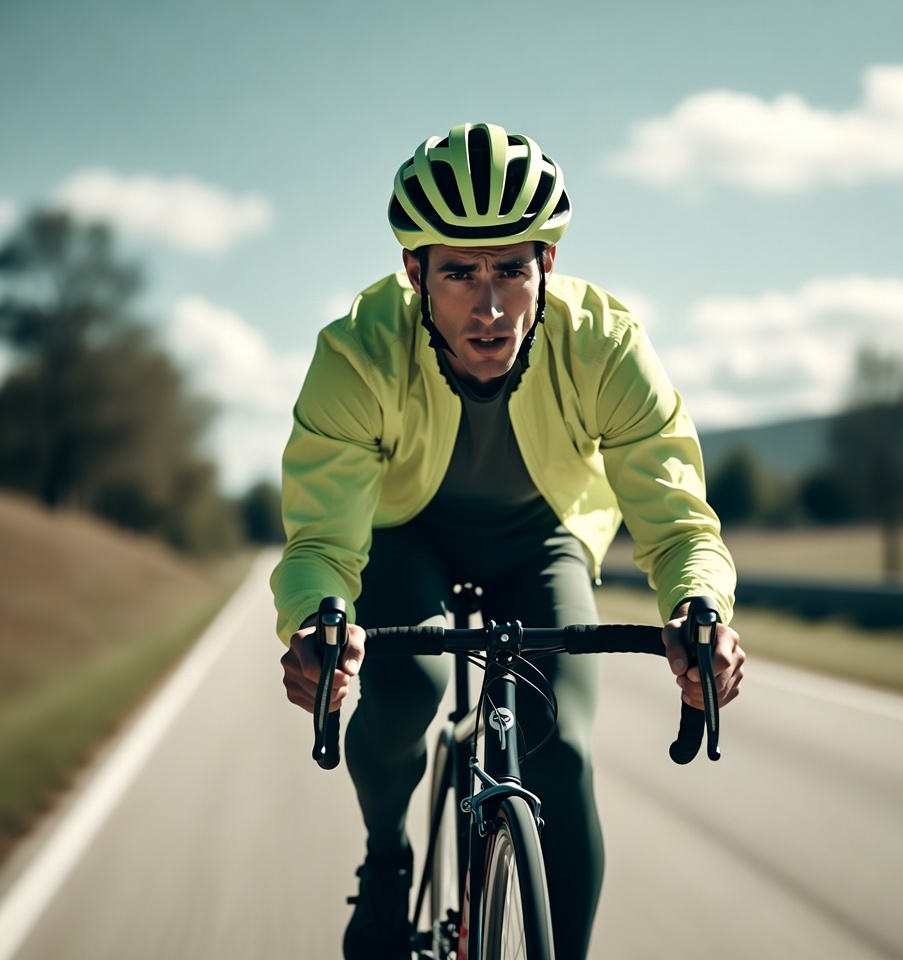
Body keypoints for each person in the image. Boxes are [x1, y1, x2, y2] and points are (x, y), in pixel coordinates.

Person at [272, 122, 745, 960]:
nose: (489, 308)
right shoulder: (356, 353)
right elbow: (323, 544)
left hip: (542, 539)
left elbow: (677, 520)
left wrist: (700, 608)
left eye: (510, 271)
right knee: (403, 691)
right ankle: (387, 861)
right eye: (458, 273)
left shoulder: (605, 343)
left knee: (558, 747)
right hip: (404, 537)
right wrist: (320, 623)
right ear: (414, 272)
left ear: (547, 267)